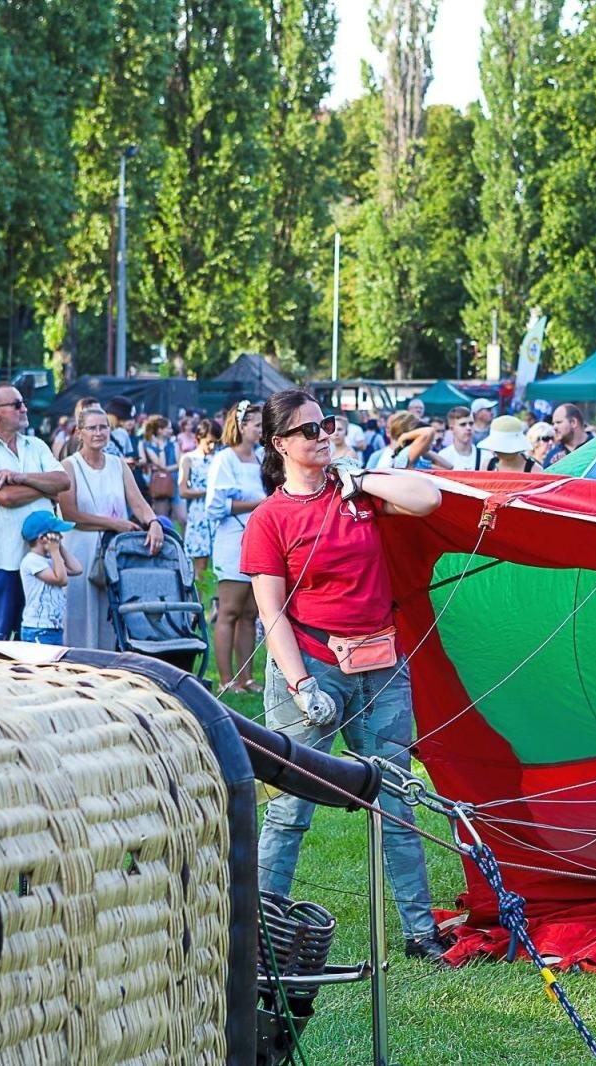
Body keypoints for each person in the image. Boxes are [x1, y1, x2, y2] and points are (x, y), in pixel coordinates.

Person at [243, 388, 451, 961]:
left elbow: (428, 497)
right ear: (280, 443)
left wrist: (361, 477)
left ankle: (420, 933)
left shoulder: (357, 493)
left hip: (382, 667)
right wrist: (301, 684)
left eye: (327, 424)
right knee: (289, 808)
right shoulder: (269, 518)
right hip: (314, 668)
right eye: (309, 430)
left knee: (398, 802)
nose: (324, 435)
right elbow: (271, 613)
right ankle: (263, 935)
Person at [0, 385, 69, 640]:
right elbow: (5, 498)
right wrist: (45, 488)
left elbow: (63, 481)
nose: (24, 409)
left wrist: (20, 477)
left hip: (42, 560)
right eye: (17, 404)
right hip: (1, 562)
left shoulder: (36, 445)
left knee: (39, 637)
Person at [56, 405, 162, 649]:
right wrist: (113, 523)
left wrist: (154, 522)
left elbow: (139, 503)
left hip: (114, 550)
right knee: (80, 612)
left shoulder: (118, 464)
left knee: (111, 611)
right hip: (80, 550)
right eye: (92, 428)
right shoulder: (69, 466)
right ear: (80, 432)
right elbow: (70, 514)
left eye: (103, 427)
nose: (98, 433)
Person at [204, 400, 265, 692]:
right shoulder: (224, 459)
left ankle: (247, 677)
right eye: (257, 425)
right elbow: (215, 507)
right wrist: (259, 503)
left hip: (259, 540)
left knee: (251, 613)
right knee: (229, 610)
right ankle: (226, 680)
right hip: (233, 540)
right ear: (241, 426)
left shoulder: (261, 457)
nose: (262, 430)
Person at [18, 512, 84, 645]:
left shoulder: (51, 560)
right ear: (43, 538)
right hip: (38, 629)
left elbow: (76, 569)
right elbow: (61, 580)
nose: (61, 537)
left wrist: (59, 548)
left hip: (53, 628)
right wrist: (54, 551)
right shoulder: (31, 561)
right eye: (57, 534)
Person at [177, 418, 218, 585]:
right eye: (209, 442)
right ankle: (197, 600)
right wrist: (208, 491)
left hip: (217, 513)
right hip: (198, 513)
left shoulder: (219, 458)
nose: (212, 446)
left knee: (220, 565)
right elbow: (183, 491)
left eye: (216, 442)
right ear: (198, 439)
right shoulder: (189, 459)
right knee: (199, 565)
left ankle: (218, 600)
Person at [369, 411, 443, 470]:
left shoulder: (405, 453)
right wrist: (405, 436)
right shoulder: (404, 453)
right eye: (417, 429)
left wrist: (425, 450)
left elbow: (447, 468)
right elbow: (429, 431)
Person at [138, 414, 177, 518]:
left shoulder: (174, 443)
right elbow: (162, 465)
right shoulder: (148, 445)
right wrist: (161, 448)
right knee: (161, 514)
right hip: (160, 483)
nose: (171, 431)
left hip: (174, 481)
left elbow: (178, 463)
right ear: (160, 430)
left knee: (180, 517)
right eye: (168, 428)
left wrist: (166, 469)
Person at [436, 406, 483, 471]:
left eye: (471, 424)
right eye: (463, 424)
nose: (468, 428)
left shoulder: (485, 455)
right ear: (452, 429)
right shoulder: (443, 456)